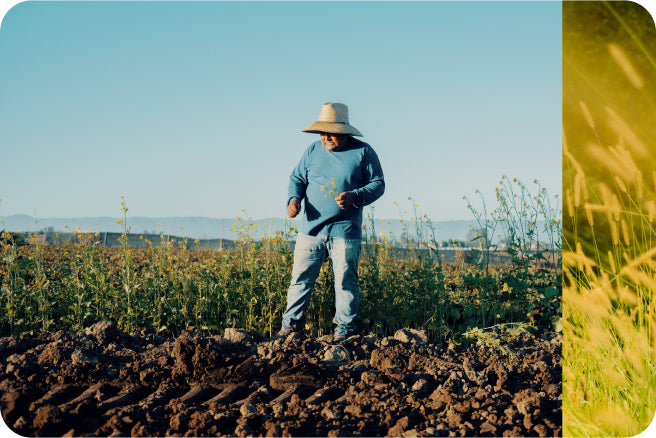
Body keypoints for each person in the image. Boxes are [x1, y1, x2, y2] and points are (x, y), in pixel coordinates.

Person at [279, 102, 385, 341]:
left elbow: (378, 184)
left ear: (345, 132)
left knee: (346, 283)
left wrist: (355, 197)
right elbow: (297, 178)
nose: (326, 137)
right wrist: (294, 200)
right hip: (311, 230)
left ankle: (344, 333)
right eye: (322, 132)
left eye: (332, 133)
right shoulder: (312, 151)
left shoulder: (363, 152)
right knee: (300, 280)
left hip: (345, 232)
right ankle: (289, 330)